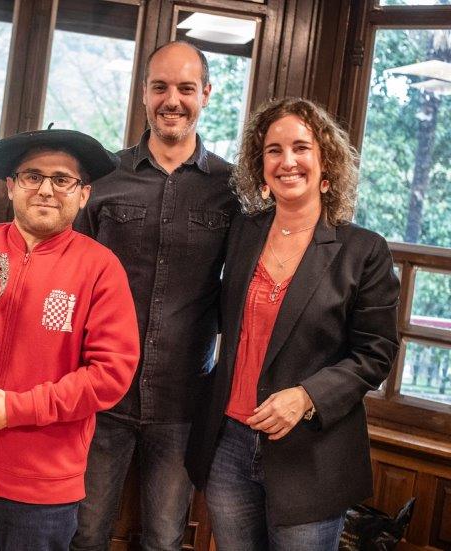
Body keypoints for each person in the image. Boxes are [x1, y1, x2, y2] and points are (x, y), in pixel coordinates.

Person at [185, 97, 400, 550]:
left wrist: (306, 397)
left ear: (326, 164)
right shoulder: (243, 233)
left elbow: (376, 353)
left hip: (310, 454)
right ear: (260, 167)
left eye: (301, 148)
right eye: (273, 150)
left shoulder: (363, 250)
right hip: (228, 445)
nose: (287, 161)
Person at [0, 129, 140, 551]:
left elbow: (110, 375)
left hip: (44, 488)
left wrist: (17, 409)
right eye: (32, 176)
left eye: (62, 179)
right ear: (11, 186)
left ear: (83, 194)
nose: (46, 189)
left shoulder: (101, 268)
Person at [72, 41, 238, 550]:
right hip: (100, 392)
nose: (173, 100)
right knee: (85, 535)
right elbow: (71, 276)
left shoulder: (232, 189)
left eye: (186, 88)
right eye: (160, 87)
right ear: (144, 93)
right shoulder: (103, 179)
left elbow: (243, 288)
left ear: (206, 94)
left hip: (183, 400)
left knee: (164, 540)